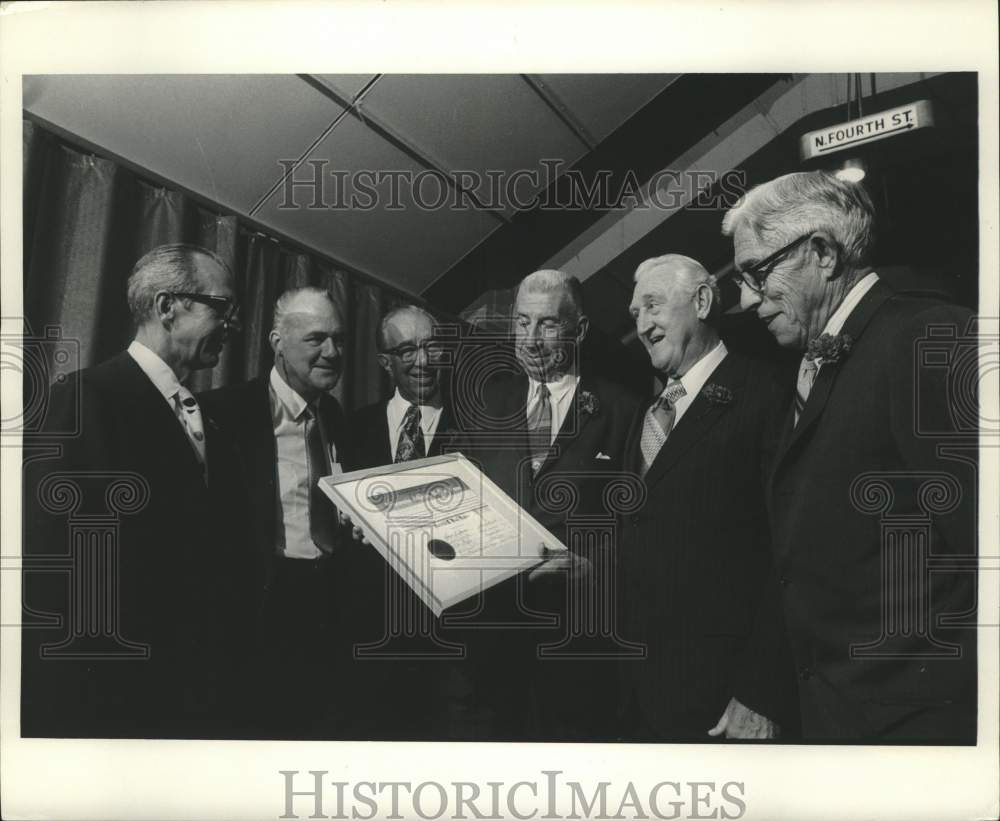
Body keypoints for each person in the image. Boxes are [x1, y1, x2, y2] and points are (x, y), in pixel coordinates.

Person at [722, 170, 977, 742]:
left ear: (822, 253)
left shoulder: (931, 338)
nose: (745, 299)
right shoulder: (814, 364)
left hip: (925, 731)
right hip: (840, 719)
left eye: (756, 273)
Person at [21, 243, 252, 738]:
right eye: (223, 307)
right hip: (116, 689)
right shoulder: (87, 397)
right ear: (168, 307)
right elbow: (57, 564)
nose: (234, 325)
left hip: (196, 685)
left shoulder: (208, 416)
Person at [618, 253, 796, 742]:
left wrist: (762, 690)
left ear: (701, 301)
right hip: (640, 695)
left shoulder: (767, 393)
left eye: (652, 305)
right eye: (635, 314)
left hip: (727, 701)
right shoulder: (644, 412)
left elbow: (792, 556)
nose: (642, 325)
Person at [460, 269, 642, 741]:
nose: (531, 340)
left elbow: (636, 523)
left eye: (546, 325)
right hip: (493, 637)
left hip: (576, 641)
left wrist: (593, 568)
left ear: (578, 330)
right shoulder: (486, 402)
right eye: (521, 323)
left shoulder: (622, 410)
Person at [199, 285, 364, 739]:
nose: (333, 352)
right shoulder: (221, 415)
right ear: (277, 342)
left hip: (329, 608)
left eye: (340, 339)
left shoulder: (335, 416)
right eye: (315, 339)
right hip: (258, 616)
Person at [351, 304, 462, 465]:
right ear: (386, 362)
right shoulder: (356, 428)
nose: (423, 361)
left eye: (432, 346)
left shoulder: (471, 426)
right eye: (407, 351)